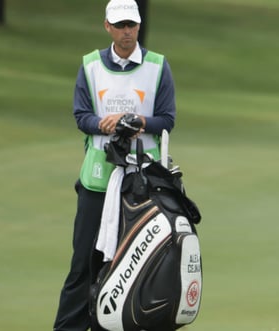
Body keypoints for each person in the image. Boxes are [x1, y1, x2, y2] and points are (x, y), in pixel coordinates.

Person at [53, 0, 176, 330]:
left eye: (131, 25)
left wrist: (137, 122)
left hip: (143, 180)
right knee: (84, 263)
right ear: (107, 26)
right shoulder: (90, 66)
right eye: (120, 25)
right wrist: (103, 124)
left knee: (135, 264)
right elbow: (82, 117)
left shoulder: (157, 66)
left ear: (138, 26)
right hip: (97, 178)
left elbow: (167, 119)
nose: (127, 32)